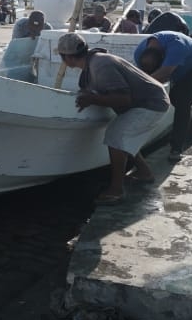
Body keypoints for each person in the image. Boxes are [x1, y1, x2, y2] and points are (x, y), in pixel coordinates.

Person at [58, 33, 169, 205]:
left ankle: (116, 190)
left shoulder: (100, 65)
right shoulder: (91, 66)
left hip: (152, 103)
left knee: (115, 135)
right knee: (126, 134)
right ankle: (144, 172)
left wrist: (92, 99)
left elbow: (124, 99)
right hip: (148, 100)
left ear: (68, 58)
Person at [134, 31, 192, 162]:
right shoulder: (139, 53)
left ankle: (177, 147)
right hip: (180, 68)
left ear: (164, 57)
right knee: (177, 99)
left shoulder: (176, 47)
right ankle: (191, 135)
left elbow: (163, 75)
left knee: (181, 100)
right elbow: (142, 75)